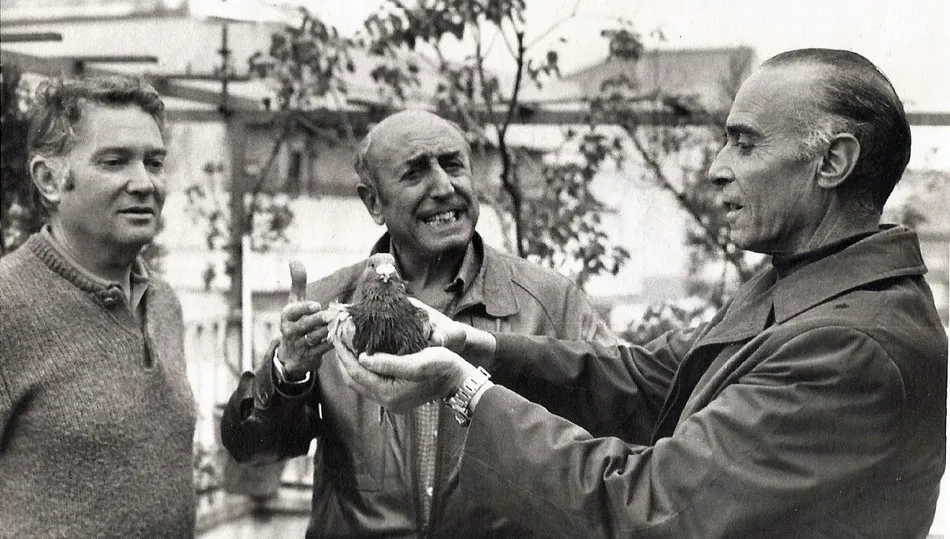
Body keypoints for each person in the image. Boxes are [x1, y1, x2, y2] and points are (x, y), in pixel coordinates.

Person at [335, 49, 948, 538]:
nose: (717, 167)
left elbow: (648, 507)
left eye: (745, 143)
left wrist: (464, 389)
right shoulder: (804, 286)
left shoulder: (848, 346)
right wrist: (475, 345)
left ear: (833, 162)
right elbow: (646, 377)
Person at [220, 109, 618, 537]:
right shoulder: (327, 308)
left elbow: (626, 431)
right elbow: (252, 452)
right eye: (415, 173)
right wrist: (288, 373)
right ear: (374, 202)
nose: (444, 188)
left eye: (453, 165)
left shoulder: (551, 304)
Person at [0, 76, 197, 536]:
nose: (144, 183)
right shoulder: (7, 304)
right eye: (114, 162)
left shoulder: (163, 303)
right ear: (50, 180)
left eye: (154, 162)